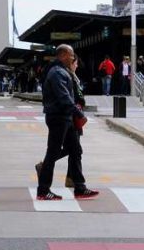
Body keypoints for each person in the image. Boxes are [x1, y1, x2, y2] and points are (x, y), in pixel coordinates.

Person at [35, 45, 98, 201]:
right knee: (53, 152)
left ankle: (80, 188)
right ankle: (43, 190)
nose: (73, 58)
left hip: (66, 117)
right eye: (71, 55)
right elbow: (64, 97)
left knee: (75, 150)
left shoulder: (62, 71)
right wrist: (79, 114)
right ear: (63, 55)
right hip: (59, 117)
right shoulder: (57, 72)